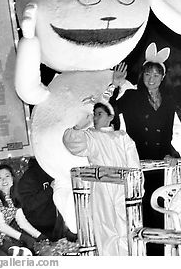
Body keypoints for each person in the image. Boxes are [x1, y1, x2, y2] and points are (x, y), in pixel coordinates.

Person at [110, 43, 181, 255]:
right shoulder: (131, 97)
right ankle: (146, 254)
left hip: (161, 163)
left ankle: (163, 254)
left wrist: (173, 155)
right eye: (147, 73)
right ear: (142, 75)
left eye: (156, 74)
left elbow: (170, 133)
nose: (151, 78)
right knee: (142, 208)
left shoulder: (170, 101)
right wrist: (115, 86)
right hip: (139, 162)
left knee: (161, 208)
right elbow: (110, 112)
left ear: (163, 78)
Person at [63, 101, 141, 255]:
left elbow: (134, 163)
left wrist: (136, 187)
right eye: (94, 114)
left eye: (100, 114)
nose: (95, 118)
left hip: (123, 187)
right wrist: (78, 127)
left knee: (126, 226)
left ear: (110, 117)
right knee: (105, 228)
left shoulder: (121, 136)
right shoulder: (90, 135)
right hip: (102, 188)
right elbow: (72, 142)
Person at [0, 164, 46, 255]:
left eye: (7, 176)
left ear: (12, 178)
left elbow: (22, 222)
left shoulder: (14, 197)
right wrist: (23, 237)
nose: (4, 180)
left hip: (2, 240)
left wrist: (39, 236)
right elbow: (1, 226)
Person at [15, 158, 68, 243]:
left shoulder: (52, 171)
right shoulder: (30, 176)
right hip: (41, 228)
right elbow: (28, 205)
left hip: (58, 224)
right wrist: (49, 189)